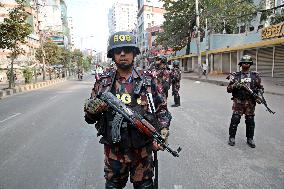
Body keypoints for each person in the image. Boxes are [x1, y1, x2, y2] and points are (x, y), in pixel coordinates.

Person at [84, 31, 171, 189]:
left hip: (142, 152)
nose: (123, 54)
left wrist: (163, 131)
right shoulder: (104, 82)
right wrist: (93, 108)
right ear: (112, 55)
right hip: (114, 154)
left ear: (134, 53)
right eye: (118, 51)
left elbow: (162, 110)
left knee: (145, 186)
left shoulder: (148, 79)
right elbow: (89, 117)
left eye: (127, 50)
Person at [227, 55, 263, 148]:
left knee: (250, 121)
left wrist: (259, 95)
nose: (246, 64)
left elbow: (260, 88)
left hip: (250, 102)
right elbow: (228, 89)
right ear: (241, 64)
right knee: (235, 119)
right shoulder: (235, 76)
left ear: (250, 64)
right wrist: (235, 86)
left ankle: (250, 138)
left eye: (248, 62)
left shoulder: (255, 76)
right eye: (244, 62)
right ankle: (232, 137)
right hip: (238, 101)